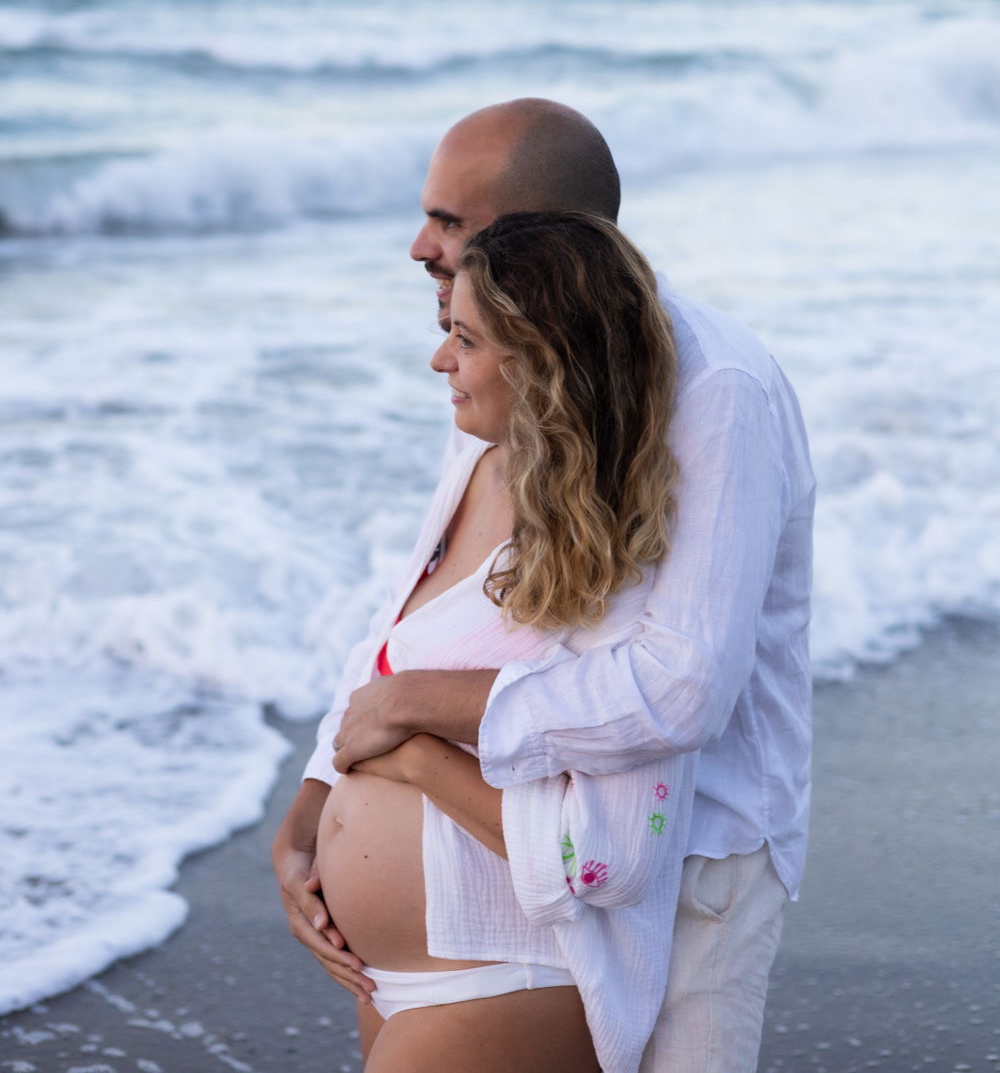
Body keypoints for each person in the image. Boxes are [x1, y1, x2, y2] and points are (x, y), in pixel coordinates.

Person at [273, 98, 814, 1072]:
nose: (420, 247)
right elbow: (423, 603)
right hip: (495, 905)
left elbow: (678, 686)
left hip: (690, 860)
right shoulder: (509, 385)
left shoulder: (712, 387)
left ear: (549, 239)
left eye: (450, 221)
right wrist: (321, 790)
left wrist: (412, 728)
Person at [303, 211, 697, 1073]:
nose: (439, 360)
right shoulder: (476, 468)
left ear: (542, 361)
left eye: (467, 340)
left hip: (506, 980)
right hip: (393, 979)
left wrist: (416, 759)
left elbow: (614, 860)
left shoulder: (606, 558)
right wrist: (306, 826)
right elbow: (380, 662)